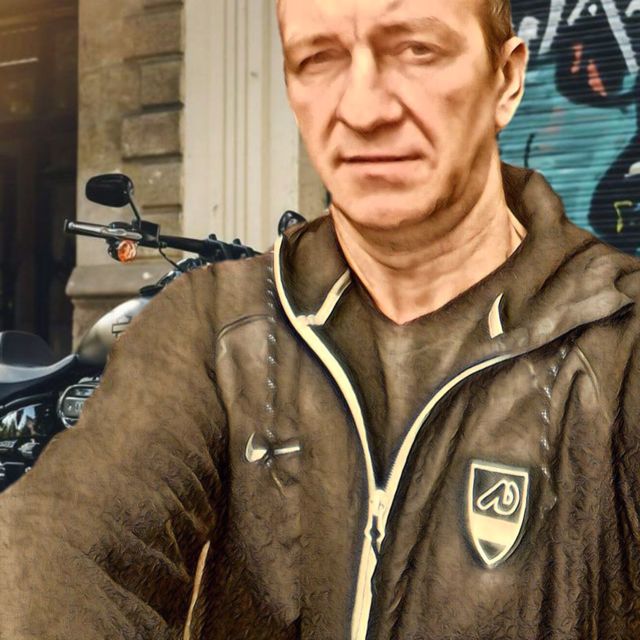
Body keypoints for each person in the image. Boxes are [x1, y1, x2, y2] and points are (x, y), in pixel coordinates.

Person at [3, 0, 640, 638]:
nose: (362, 111)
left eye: (416, 50)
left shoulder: (621, 342)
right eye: (319, 57)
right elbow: (61, 547)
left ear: (506, 80)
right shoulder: (210, 327)